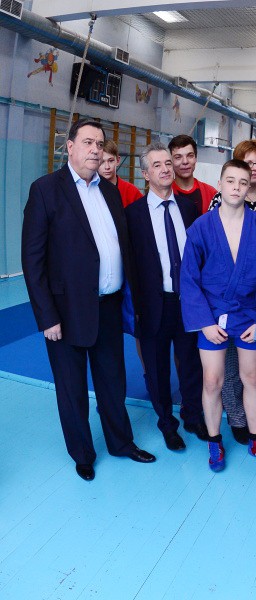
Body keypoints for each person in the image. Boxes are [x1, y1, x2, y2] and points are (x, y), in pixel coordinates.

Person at [22, 119, 156, 481]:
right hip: (64, 312)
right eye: (88, 142)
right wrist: (46, 316)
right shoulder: (46, 190)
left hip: (108, 306)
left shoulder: (109, 192)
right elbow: (32, 259)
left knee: (113, 381)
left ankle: (121, 443)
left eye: (100, 143)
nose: (95, 150)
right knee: (72, 387)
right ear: (70, 147)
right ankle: (82, 453)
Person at [180, 159, 256, 472]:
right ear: (220, 184)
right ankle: (214, 440)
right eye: (230, 181)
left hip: (250, 315)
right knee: (212, 380)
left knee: (252, 377)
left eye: (242, 182)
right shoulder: (201, 227)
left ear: (250, 187)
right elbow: (189, 278)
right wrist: (204, 323)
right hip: (212, 315)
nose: (236, 188)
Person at [125, 142, 206, 451]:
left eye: (167, 163)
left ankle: (192, 416)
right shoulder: (133, 215)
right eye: (157, 165)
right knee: (157, 368)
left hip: (188, 302)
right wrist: (136, 308)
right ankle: (167, 424)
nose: (165, 169)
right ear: (146, 174)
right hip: (153, 304)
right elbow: (130, 264)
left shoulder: (188, 208)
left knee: (191, 364)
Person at [208, 140, 256, 442]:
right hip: (226, 300)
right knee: (230, 367)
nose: (254, 169)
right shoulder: (219, 203)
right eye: (248, 163)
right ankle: (237, 418)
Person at [169, 134, 217, 214]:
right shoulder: (165, 194)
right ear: (171, 161)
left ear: (195, 158)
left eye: (190, 156)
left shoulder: (211, 193)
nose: (185, 162)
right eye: (178, 157)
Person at [98, 140, 143, 207]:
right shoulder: (89, 190)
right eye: (102, 162)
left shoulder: (131, 191)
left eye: (111, 161)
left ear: (118, 160)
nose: (107, 167)